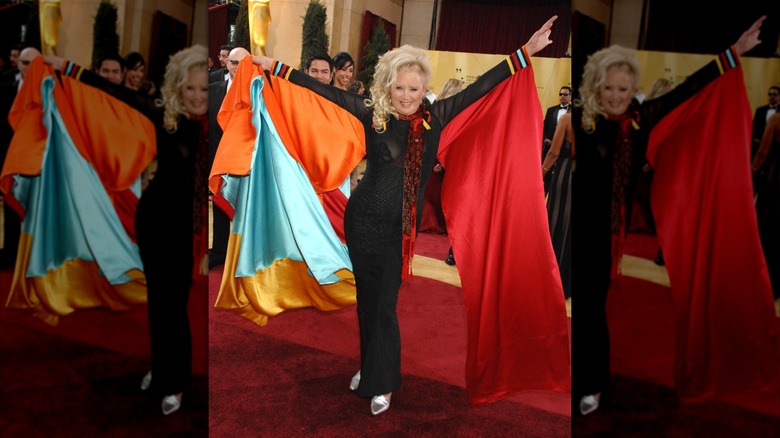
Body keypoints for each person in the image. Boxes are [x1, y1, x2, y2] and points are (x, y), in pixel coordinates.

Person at [249, 16, 558, 416]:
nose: (407, 96)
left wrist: (525, 51)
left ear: (424, 89)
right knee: (366, 301)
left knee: (385, 307)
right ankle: (369, 365)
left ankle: (383, 382)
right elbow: (319, 91)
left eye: (414, 88)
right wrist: (272, 65)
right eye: (399, 87)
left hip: (399, 230)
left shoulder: (439, 116)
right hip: (361, 222)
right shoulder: (369, 112)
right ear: (388, 86)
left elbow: (485, 85)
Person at [572, 16, 774, 417]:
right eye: (608, 88)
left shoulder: (640, 121)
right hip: (568, 226)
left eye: (623, 88)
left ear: (633, 90)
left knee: (592, 310)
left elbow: (686, 92)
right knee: (574, 305)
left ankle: (592, 383)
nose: (615, 95)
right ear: (597, 86)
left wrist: (733, 54)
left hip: (605, 235)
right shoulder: (583, 120)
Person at [135, 45, 208, 415]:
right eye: (189, 88)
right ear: (178, 88)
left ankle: (176, 381)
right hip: (152, 223)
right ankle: (160, 366)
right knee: (157, 303)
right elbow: (118, 96)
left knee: (175, 307)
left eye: (203, 89)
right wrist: (67, 69)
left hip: (185, 233)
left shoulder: (214, 127)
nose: (196, 96)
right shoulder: (164, 117)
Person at [542, 106, 572, 299]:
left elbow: (554, 152)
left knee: (557, 220)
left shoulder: (567, 119)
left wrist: (541, 172)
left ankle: (553, 279)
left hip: (567, 173)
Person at [752, 111, 780, 301]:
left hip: (776, 177)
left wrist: (753, 170)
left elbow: (764, 150)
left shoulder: (777, 118)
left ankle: (765, 282)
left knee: (769, 228)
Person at [542, 86, 572, 192]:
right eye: (560, 94)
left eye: (565, 94)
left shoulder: (568, 116)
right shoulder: (551, 110)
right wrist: (546, 139)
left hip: (563, 157)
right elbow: (544, 128)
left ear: (571, 96)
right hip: (548, 152)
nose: (562, 97)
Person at [751, 85, 779, 194]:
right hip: (759, 148)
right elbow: (754, 127)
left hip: (773, 157)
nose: (771, 96)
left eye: (774, 94)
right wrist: (755, 139)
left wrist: (753, 168)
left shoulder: (776, 118)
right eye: (770, 94)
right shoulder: (760, 110)